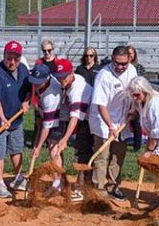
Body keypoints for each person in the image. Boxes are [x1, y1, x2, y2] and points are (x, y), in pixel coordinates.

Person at [88, 45, 138, 200]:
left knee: (118, 155)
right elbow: (101, 105)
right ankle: (99, 189)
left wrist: (133, 109)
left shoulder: (132, 71)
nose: (121, 67)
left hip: (122, 119)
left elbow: (135, 93)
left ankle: (113, 186)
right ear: (112, 58)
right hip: (103, 120)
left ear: (129, 59)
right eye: (117, 63)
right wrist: (110, 126)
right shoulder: (104, 75)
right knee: (102, 156)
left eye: (124, 64)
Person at [0, 41, 30, 198]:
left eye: (16, 59)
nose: (12, 62)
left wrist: (26, 100)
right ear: (3, 56)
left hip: (16, 119)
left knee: (17, 149)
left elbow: (29, 90)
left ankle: (18, 178)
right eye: (9, 58)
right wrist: (2, 118)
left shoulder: (23, 70)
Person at [50, 58, 93, 200]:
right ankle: (63, 183)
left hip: (89, 120)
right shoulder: (68, 81)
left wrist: (65, 139)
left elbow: (75, 117)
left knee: (82, 153)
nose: (61, 80)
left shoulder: (78, 89)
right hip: (79, 119)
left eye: (64, 76)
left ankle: (82, 188)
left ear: (72, 73)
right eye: (59, 77)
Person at [28, 64, 67, 195]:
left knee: (53, 147)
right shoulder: (41, 83)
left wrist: (37, 147)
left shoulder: (51, 95)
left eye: (39, 82)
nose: (36, 84)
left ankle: (57, 184)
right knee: (52, 147)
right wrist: (39, 112)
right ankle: (59, 182)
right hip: (47, 114)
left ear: (47, 78)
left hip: (60, 116)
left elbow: (46, 127)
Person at [127, 45, 146, 151]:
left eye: (131, 53)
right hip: (125, 96)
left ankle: (137, 145)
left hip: (135, 97)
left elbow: (142, 82)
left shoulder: (139, 68)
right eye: (128, 53)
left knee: (136, 122)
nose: (130, 55)